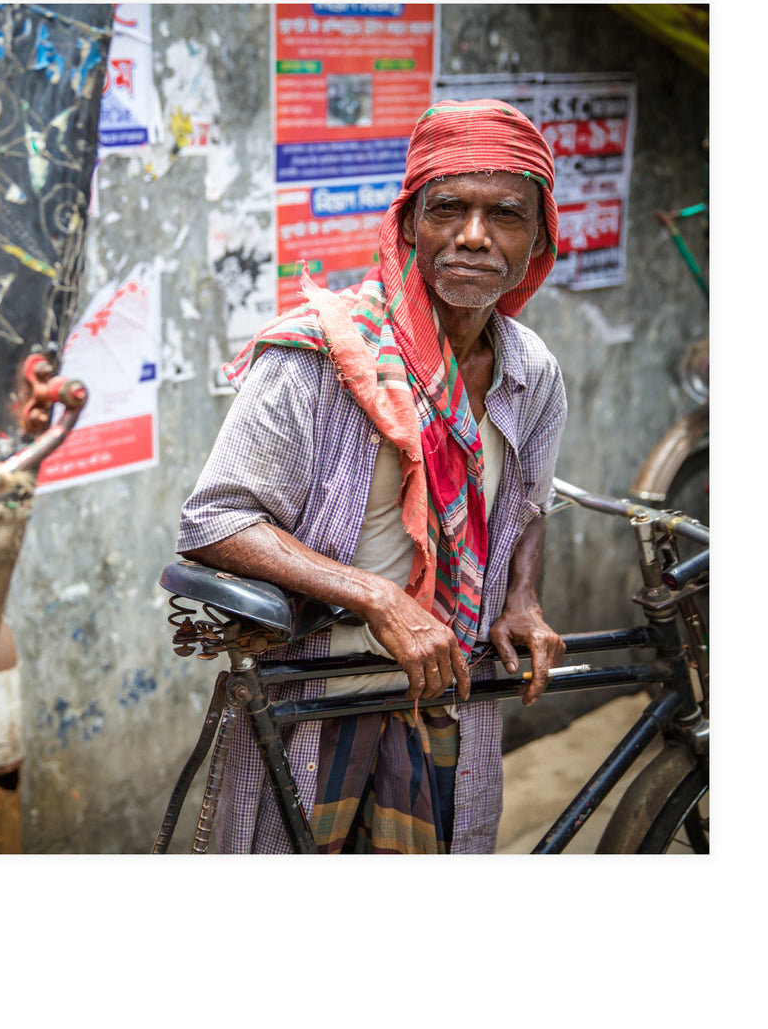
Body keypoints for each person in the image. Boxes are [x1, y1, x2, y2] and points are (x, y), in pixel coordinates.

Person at [177, 98, 568, 854]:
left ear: (541, 237)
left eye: (507, 215)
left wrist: (522, 598)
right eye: (448, 208)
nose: (474, 237)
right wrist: (381, 598)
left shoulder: (531, 372)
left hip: (447, 690)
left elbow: (527, 502)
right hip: (318, 695)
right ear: (409, 224)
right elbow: (215, 521)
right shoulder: (319, 359)